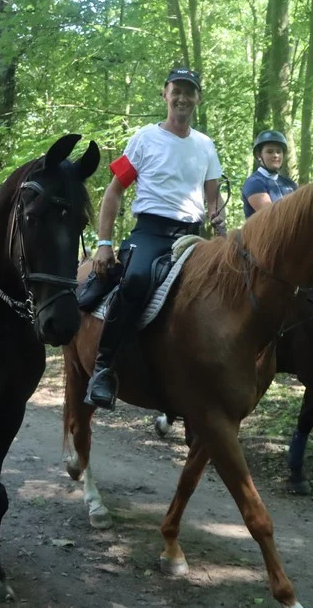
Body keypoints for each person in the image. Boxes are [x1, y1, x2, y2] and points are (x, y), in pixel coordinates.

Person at [84, 68, 225, 412]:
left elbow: (213, 199)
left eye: (189, 92)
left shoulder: (205, 146)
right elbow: (115, 191)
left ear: (198, 99)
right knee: (134, 280)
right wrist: (104, 243)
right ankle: (103, 369)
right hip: (150, 232)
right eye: (177, 90)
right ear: (165, 94)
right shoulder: (145, 139)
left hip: (193, 236)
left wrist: (221, 227)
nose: (182, 98)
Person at [241, 129, 297, 218]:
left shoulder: (289, 183)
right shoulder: (254, 182)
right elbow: (271, 216)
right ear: (259, 155)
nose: (276, 155)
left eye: (279, 152)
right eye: (270, 152)